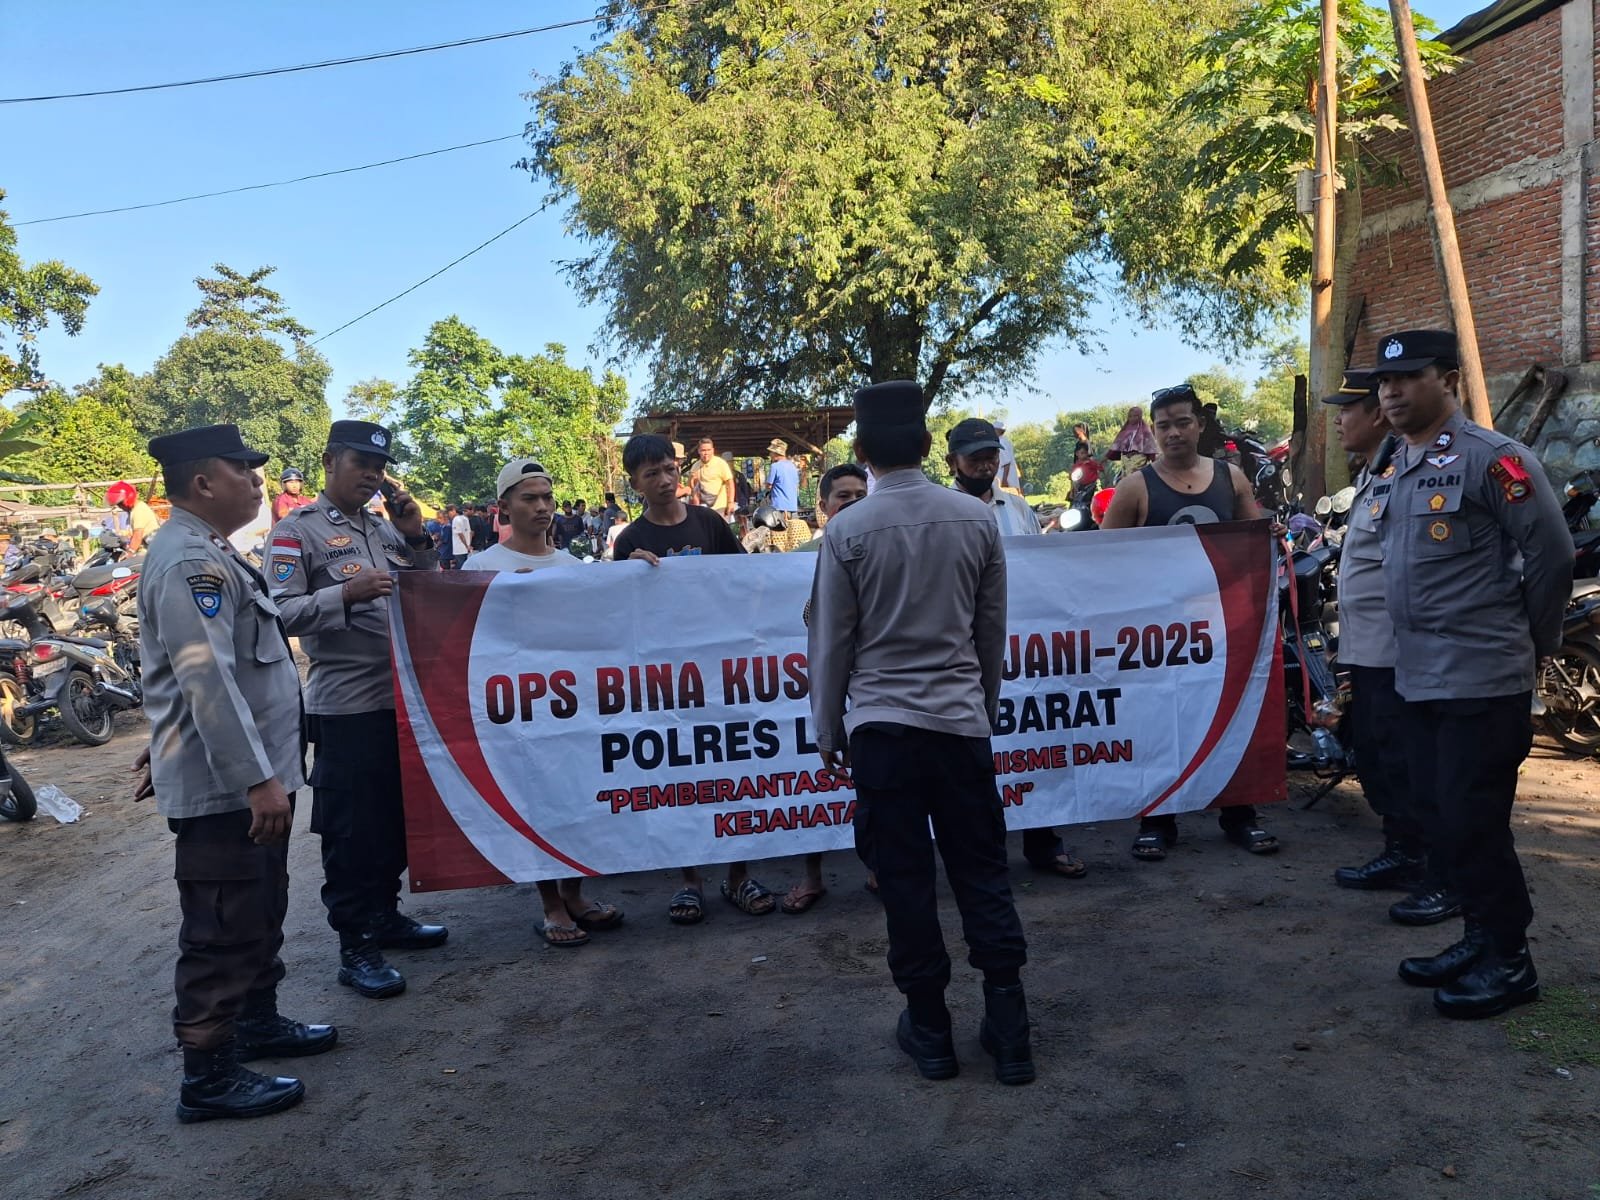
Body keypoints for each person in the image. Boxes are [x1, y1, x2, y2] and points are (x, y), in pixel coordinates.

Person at [809, 380, 1033, 1086]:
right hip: (959, 724)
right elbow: (990, 631)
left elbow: (831, 641)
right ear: (930, 445)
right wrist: (980, 707)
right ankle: (1010, 1028)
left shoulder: (847, 530)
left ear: (862, 451)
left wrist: (827, 728)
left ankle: (931, 1030)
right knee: (983, 872)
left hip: (883, 731)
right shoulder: (975, 519)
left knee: (904, 882)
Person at [1370, 329, 1572, 1018]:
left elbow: (1552, 555)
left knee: (1473, 823)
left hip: (1482, 679)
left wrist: (1532, 644)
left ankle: (1511, 961)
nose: (1391, 392)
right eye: (1384, 382)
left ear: (1449, 380)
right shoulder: (1397, 461)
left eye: (1408, 377)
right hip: (1418, 677)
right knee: (1439, 817)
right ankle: (1479, 938)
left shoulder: (1492, 458)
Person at [136, 423, 334, 1123]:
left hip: (247, 773)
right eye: (242, 470)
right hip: (230, 787)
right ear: (202, 483)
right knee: (221, 927)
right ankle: (209, 1077)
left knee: (259, 907)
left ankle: (257, 1022)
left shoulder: (212, 549)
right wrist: (255, 779)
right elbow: (207, 681)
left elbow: (189, 676)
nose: (257, 482)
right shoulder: (188, 561)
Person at [267, 420, 447, 1000]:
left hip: (403, 698)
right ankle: (356, 945)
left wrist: (417, 537)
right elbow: (278, 613)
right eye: (360, 464)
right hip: (347, 705)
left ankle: (386, 916)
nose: (371, 476)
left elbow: (431, 591)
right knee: (351, 830)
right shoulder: (297, 531)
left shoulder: (384, 527)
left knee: (398, 817)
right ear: (329, 462)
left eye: (378, 468)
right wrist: (344, 593)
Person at [1101, 383, 1279, 859]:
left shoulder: (1231, 478)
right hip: (1158, 637)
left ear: (1199, 424)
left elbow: (1253, 538)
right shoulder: (1135, 487)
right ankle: (1157, 819)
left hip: (1224, 629)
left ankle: (1240, 815)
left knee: (1233, 717)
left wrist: (1270, 534)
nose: (1173, 433)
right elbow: (1099, 558)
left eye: (1182, 422)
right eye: (1163, 426)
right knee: (1160, 724)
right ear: (1154, 432)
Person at [463, 458, 625, 947]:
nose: (542, 507)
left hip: (572, 711)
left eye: (547, 497)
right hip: (515, 714)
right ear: (504, 506)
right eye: (529, 498)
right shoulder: (480, 568)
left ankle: (574, 894)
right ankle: (550, 903)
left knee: (575, 800)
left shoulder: (573, 568)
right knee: (536, 804)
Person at [613, 434, 774, 922]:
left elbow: (743, 582)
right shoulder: (629, 541)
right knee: (679, 777)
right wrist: (626, 575)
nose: (664, 480)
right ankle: (689, 880)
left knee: (733, 771)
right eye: (651, 474)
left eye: (669, 469)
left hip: (722, 670)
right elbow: (618, 613)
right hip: (667, 680)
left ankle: (738, 876)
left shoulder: (710, 523)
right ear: (635, 484)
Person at [944, 417, 1088, 879]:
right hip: (965, 646)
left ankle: (1044, 843)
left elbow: (1037, 570)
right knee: (975, 755)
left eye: (991, 455)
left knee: (1033, 742)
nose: (985, 464)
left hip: (1023, 643)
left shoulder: (1018, 508)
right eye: (975, 457)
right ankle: (983, 856)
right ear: (952, 462)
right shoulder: (941, 511)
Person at [1322, 377, 1433, 902]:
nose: (1338, 420)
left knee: (1401, 759)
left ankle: (1423, 860)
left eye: (1347, 410)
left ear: (1378, 417)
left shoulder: (1406, 472)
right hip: (1366, 651)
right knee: (1376, 753)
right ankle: (1402, 849)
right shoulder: (1373, 472)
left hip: (1395, 653)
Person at [781, 463, 871, 913]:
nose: (852, 503)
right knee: (810, 783)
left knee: (873, 782)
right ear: (823, 506)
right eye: (843, 496)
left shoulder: (882, 547)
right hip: (809, 682)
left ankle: (877, 867)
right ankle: (811, 874)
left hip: (870, 684)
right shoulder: (798, 557)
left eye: (860, 495)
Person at [108, 480, 163, 553]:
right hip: (148, 547)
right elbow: (132, 532)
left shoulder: (139, 510)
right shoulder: (134, 510)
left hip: (151, 551)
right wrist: (119, 533)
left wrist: (130, 552)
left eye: (120, 503)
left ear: (128, 498)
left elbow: (137, 536)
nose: (120, 507)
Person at [689, 437, 735, 517]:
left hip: (720, 507)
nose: (706, 453)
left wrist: (730, 502)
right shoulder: (695, 467)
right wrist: (692, 480)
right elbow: (690, 487)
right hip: (702, 508)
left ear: (713, 450)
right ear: (699, 451)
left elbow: (730, 483)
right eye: (703, 450)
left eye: (708, 450)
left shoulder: (721, 463)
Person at [1105, 406, 1158, 473]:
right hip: (1125, 461)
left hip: (1139, 460)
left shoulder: (1145, 430)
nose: (1132, 418)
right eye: (1130, 416)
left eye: (1135, 416)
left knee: (1137, 476)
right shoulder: (1125, 431)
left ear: (1140, 416)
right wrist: (1105, 458)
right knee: (1125, 476)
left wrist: (1154, 463)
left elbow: (1150, 447)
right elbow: (1116, 445)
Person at [767, 438, 799, 518]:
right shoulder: (793, 466)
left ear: (776, 453)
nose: (770, 454)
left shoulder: (775, 466)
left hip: (779, 507)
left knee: (779, 526)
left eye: (771, 452)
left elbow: (769, 486)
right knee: (792, 526)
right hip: (793, 506)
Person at [994, 420, 1021, 492]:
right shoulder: (1006, 441)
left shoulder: (1001, 443)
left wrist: (1004, 480)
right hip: (1009, 476)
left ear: (998, 430)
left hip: (1005, 478)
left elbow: (1006, 463)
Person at [450, 504, 472, 568]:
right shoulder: (466, 519)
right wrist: (468, 545)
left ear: (454, 511)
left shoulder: (456, 519)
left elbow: (460, 534)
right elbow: (470, 533)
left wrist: (466, 545)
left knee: (461, 568)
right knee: (465, 567)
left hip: (459, 549)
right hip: (466, 549)